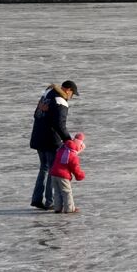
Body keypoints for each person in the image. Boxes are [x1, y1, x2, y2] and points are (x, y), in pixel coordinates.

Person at [29, 80, 78, 210]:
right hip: (50, 140)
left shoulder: (47, 94)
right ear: (68, 90)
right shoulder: (60, 102)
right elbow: (59, 124)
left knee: (44, 168)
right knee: (53, 169)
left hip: (38, 137)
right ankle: (49, 201)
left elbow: (36, 114)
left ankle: (37, 199)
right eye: (72, 94)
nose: (71, 97)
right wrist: (68, 140)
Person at [49, 133, 87, 214]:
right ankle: (69, 209)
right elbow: (76, 169)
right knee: (67, 192)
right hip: (63, 176)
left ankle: (57, 208)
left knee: (57, 191)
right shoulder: (73, 155)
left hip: (54, 174)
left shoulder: (62, 149)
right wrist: (81, 175)